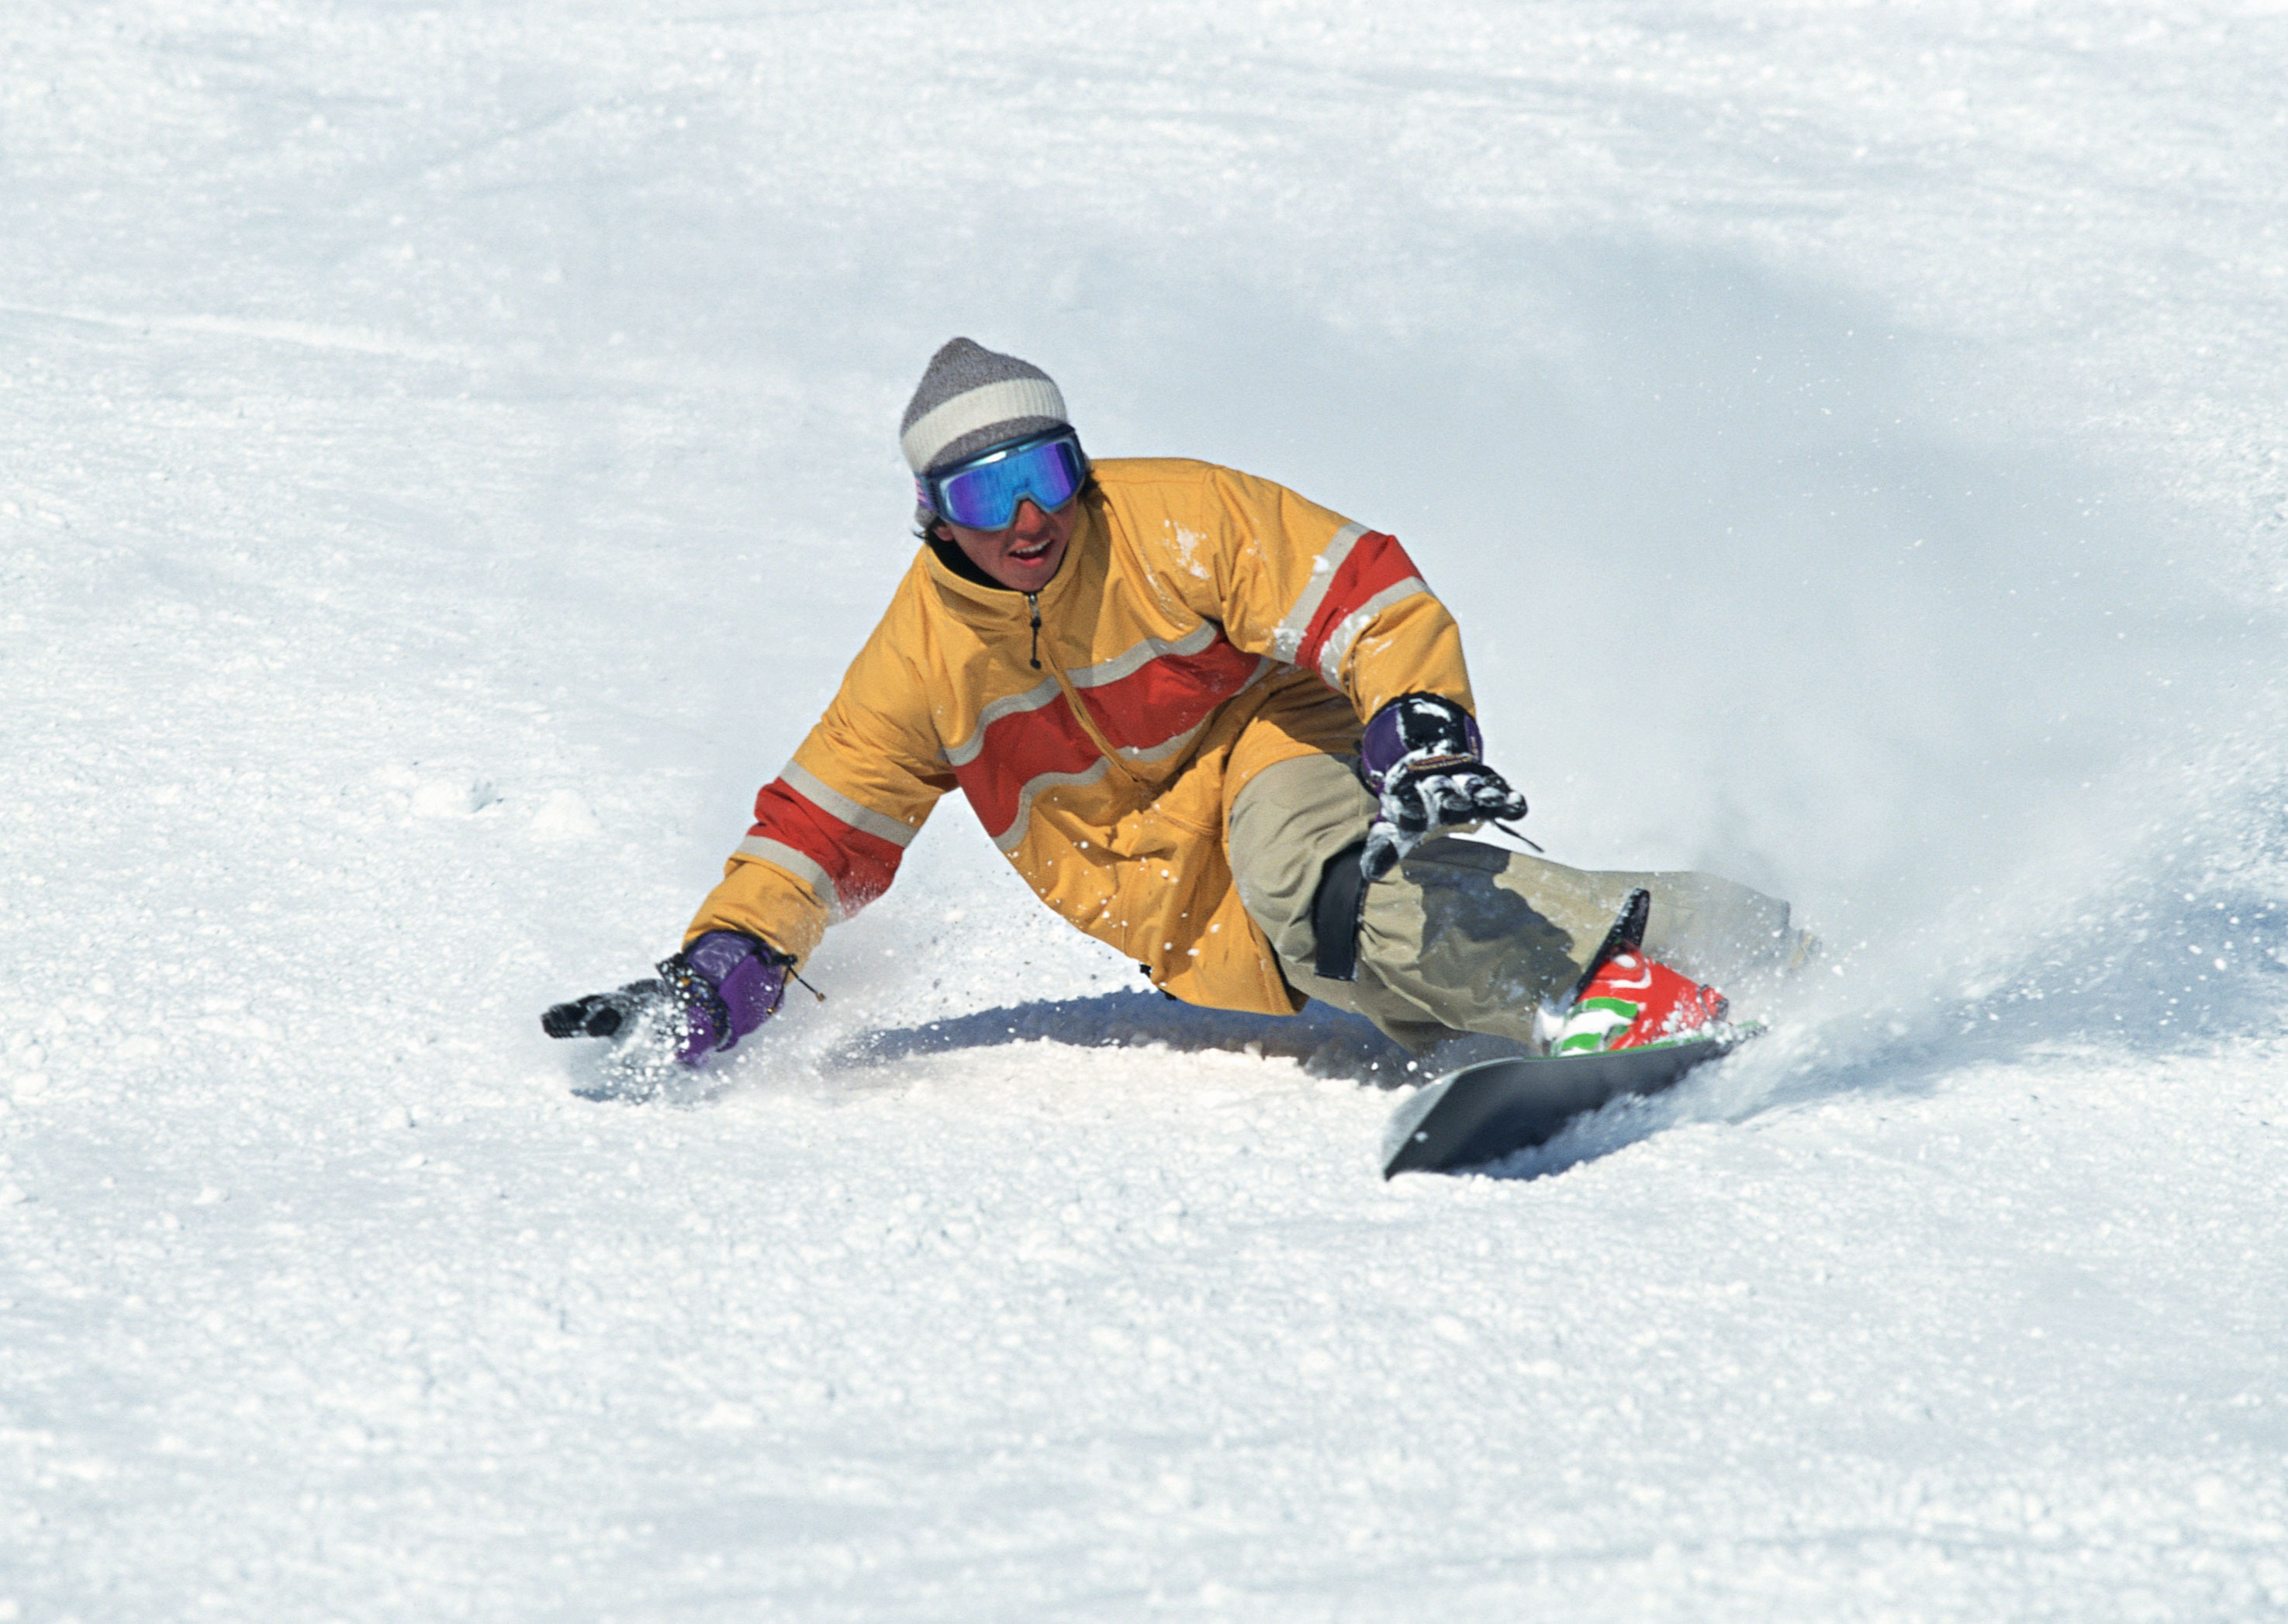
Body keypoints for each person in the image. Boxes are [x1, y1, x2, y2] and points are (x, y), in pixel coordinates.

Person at [544, 339, 1806, 1071]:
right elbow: (817, 831)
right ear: (935, 518)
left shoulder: (1175, 521)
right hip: (1186, 903)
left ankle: (1610, 998)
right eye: (986, 498)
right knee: (1345, 947)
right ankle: (1741, 940)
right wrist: (715, 975)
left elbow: (1363, 595)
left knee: (1320, 886)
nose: (1028, 519)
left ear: (1079, 466)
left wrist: (1414, 720)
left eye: (1042, 474)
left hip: (1281, 741)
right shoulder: (921, 663)